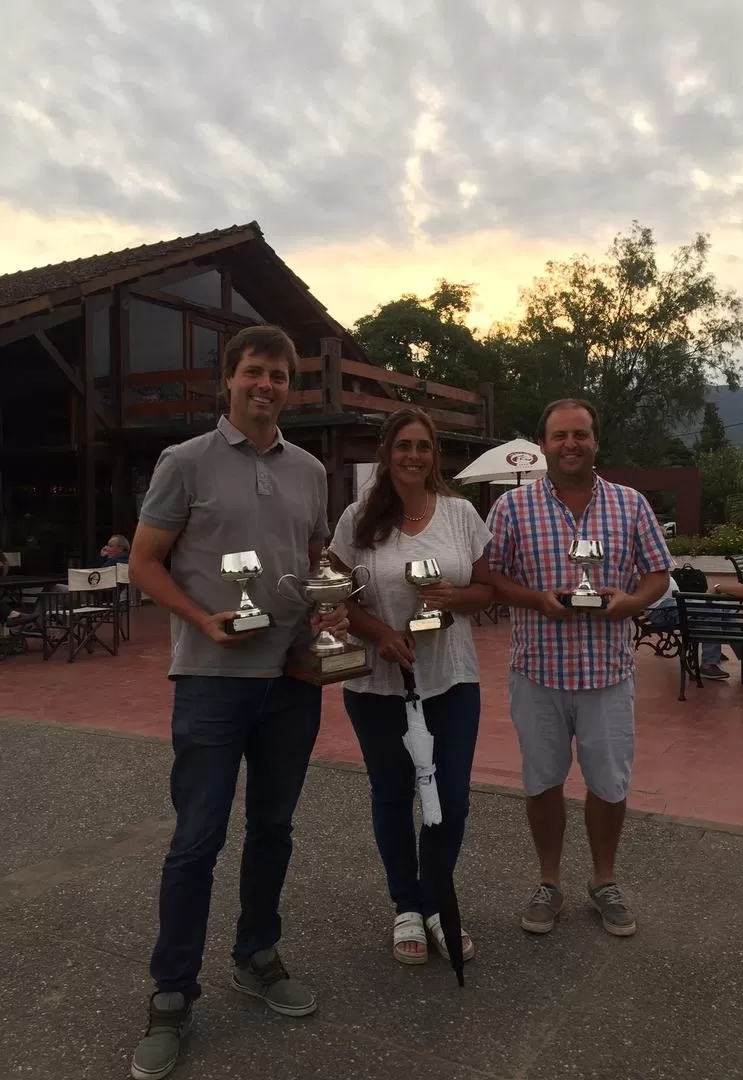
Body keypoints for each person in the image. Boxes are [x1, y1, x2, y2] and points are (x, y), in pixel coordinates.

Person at [127, 325, 349, 1080]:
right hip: (212, 680)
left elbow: (316, 560)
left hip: (290, 681)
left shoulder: (312, 470)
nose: (267, 385)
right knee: (196, 840)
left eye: (279, 375)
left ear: (292, 386)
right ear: (229, 380)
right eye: (254, 372)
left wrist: (326, 616)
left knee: (274, 829)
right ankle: (171, 992)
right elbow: (143, 563)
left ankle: (256, 952)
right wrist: (199, 619)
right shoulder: (183, 462)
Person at [487, 398, 673, 939]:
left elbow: (657, 574)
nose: (571, 444)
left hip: (607, 675)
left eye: (581, 435)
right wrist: (535, 599)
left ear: (596, 441)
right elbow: (493, 577)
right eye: (560, 435)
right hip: (538, 673)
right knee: (542, 782)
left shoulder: (630, 504)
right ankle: (548, 881)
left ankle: (604, 881)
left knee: (609, 785)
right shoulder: (513, 508)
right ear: (542, 444)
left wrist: (630, 602)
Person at [329, 407, 493, 967]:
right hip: (378, 684)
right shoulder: (358, 518)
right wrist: (376, 632)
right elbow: (333, 592)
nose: (414, 456)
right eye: (403, 446)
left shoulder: (461, 514)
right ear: (387, 452)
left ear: (435, 455)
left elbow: (489, 589)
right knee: (394, 795)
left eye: (423, 446)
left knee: (451, 798)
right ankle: (405, 904)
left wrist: (452, 597)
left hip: (450, 678)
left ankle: (436, 902)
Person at [646, 575, 743, 681]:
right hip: (662, 608)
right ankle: (708, 664)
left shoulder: (651, 560)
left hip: (675, 601)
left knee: (724, 606)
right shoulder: (636, 565)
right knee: (711, 611)